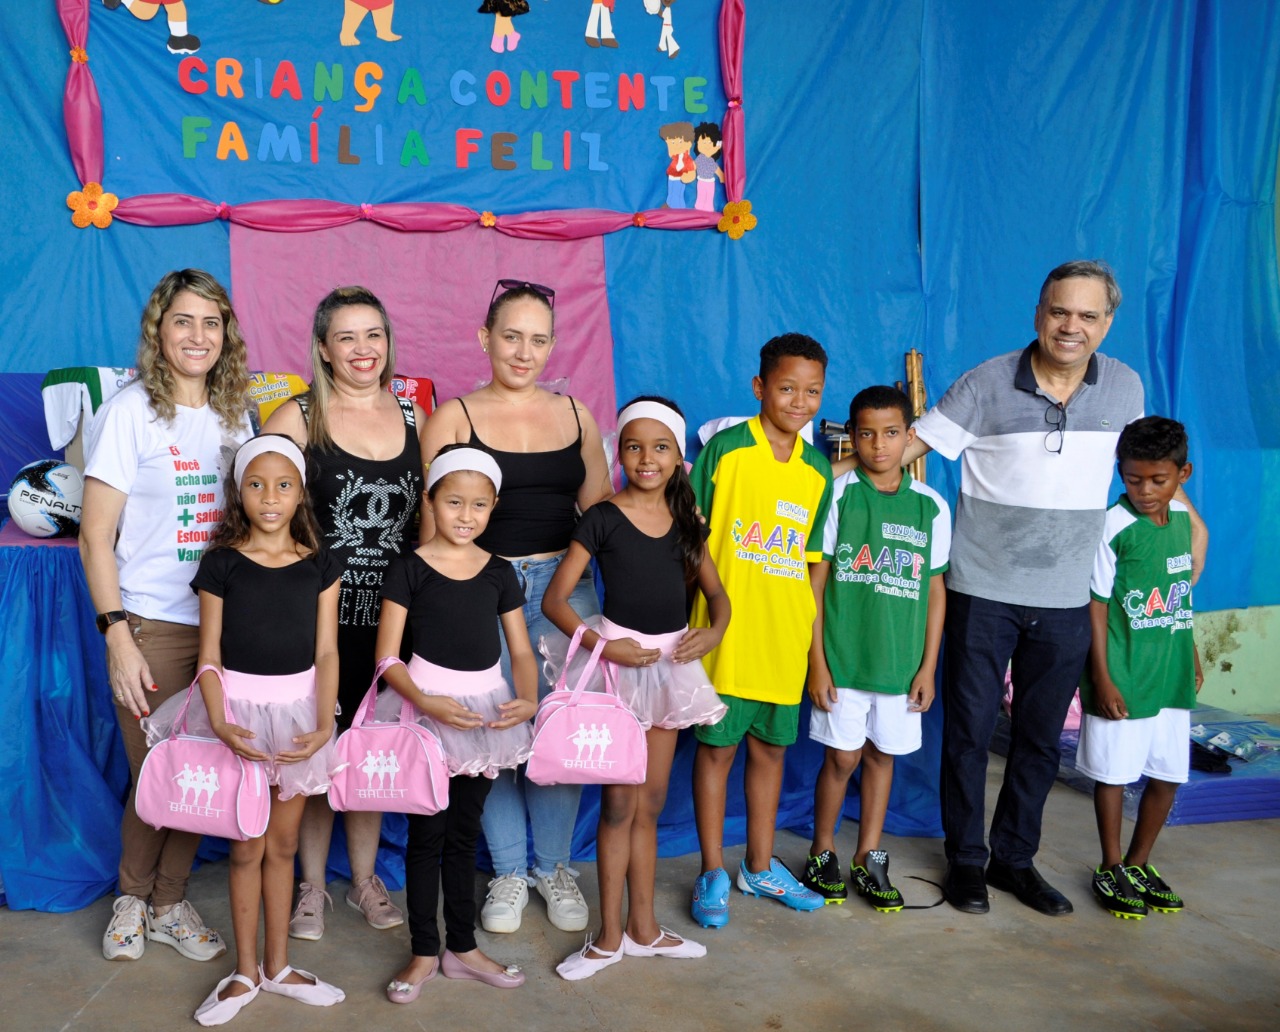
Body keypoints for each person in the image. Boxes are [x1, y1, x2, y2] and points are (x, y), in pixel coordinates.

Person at [897, 260, 1206, 916]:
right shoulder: (984, 382)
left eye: (1088, 316)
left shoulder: (1124, 386)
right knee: (970, 736)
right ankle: (967, 864)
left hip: (1069, 598)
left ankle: (1015, 859)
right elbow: (900, 450)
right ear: (1039, 312)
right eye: (1060, 311)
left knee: (1039, 740)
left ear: (1107, 323)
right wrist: (804, 471)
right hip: (983, 590)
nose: (1072, 326)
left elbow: (1147, 474)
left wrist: (1188, 530)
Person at [422, 279, 612, 936]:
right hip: (483, 595)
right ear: (485, 339)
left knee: (562, 730)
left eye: (537, 339)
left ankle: (554, 866)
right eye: (510, 337)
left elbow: (603, 517)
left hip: (566, 596)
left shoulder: (578, 415)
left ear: (553, 344)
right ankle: (505, 869)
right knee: (493, 730)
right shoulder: (454, 418)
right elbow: (433, 529)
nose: (523, 352)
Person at [80, 269, 252, 964]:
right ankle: (131, 897)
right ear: (159, 329)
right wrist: (117, 632)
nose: (198, 336)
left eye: (211, 323)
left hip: (225, 626)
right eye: (184, 321)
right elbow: (95, 536)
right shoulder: (129, 412)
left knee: (203, 770)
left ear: (226, 335)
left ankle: (168, 901)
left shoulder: (237, 414)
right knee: (159, 773)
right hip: (152, 624)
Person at [144, 436, 344, 1025]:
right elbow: (207, 656)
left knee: (283, 845)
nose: (270, 497)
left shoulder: (318, 563)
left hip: (299, 719)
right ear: (239, 492)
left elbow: (328, 652)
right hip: (238, 720)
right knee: (246, 848)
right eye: (256, 485)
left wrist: (324, 722)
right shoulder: (223, 562)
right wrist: (224, 724)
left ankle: (279, 968)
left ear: (301, 490)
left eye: (284, 485)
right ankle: (245, 972)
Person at [541, 397, 731, 979]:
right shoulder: (600, 517)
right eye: (633, 446)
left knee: (649, 802)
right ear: (619, 452)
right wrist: (605, 647)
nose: (646, 459)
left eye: (659, 447)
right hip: (618, 668)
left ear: (677, 456)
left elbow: (718, 597)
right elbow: (554, 601)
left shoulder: (686, 519)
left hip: (670, 668)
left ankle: (645, 929)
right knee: (619, 805)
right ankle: (608, 935)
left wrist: (713, 630)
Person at [262, 286, 427, 939]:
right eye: (348, 338)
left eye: (374, 335)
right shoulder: (297, 418)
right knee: (316, 754)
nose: (364, 350)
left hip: (393, 620)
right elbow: (259, 514)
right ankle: (311, 887)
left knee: (371, 752)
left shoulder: (416, 418)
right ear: (324, 349)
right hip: (318, 625)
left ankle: (363, 881)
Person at [375, 446, 537, 1002]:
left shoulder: (499, 573)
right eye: (453, 502)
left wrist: (530, 696)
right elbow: (387, 660)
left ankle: (461, 947)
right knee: (426, 836)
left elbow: (519, 650)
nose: (465, 515)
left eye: (478, 505)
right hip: (427, 713)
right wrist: (427, 702)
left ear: (493, 507)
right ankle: (424, 950)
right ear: (431, 502)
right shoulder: (409, 569)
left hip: (485, 713)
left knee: (465, 835)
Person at [687, 334, 833, 927]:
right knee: (717, 754)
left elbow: (814, 564)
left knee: (770, 753)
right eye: (787, 388)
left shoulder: (818, 469)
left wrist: (810, 644)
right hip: (725, 638)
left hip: (783, 639)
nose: (800, 401)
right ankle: (712, 870)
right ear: (760, 387)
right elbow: (687, 539)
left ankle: (760, 865)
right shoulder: (725, 451)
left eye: (813, 391)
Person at [801, 387, 950, 909]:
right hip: (843, 660)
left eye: (891, 433)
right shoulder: (839, 497)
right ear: (852, 438)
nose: (879, 445)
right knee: (842, 758)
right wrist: (817, 663)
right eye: (866, 434)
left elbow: (934, 592)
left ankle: (868, 854)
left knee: (883, 756)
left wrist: (928, 666)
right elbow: (815, 585)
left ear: (909, 436)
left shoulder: (931, 507)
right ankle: (823, 851)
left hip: (900, 663)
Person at [1076, 417, 1202, 919]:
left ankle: (1138, 863)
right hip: (1124, 672)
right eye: (1132, 479)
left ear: (1182, 474)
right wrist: (1102, 677)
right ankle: (1110, 866)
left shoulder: (1181, 522)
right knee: (1114, 774)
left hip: (1169, 672)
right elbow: (1096, 604)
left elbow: (1179, 595)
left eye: (1157, 480)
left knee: (1168, 774)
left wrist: (1190, 649)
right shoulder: (1113, 525)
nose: (1145, 490)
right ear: (1120, 473)